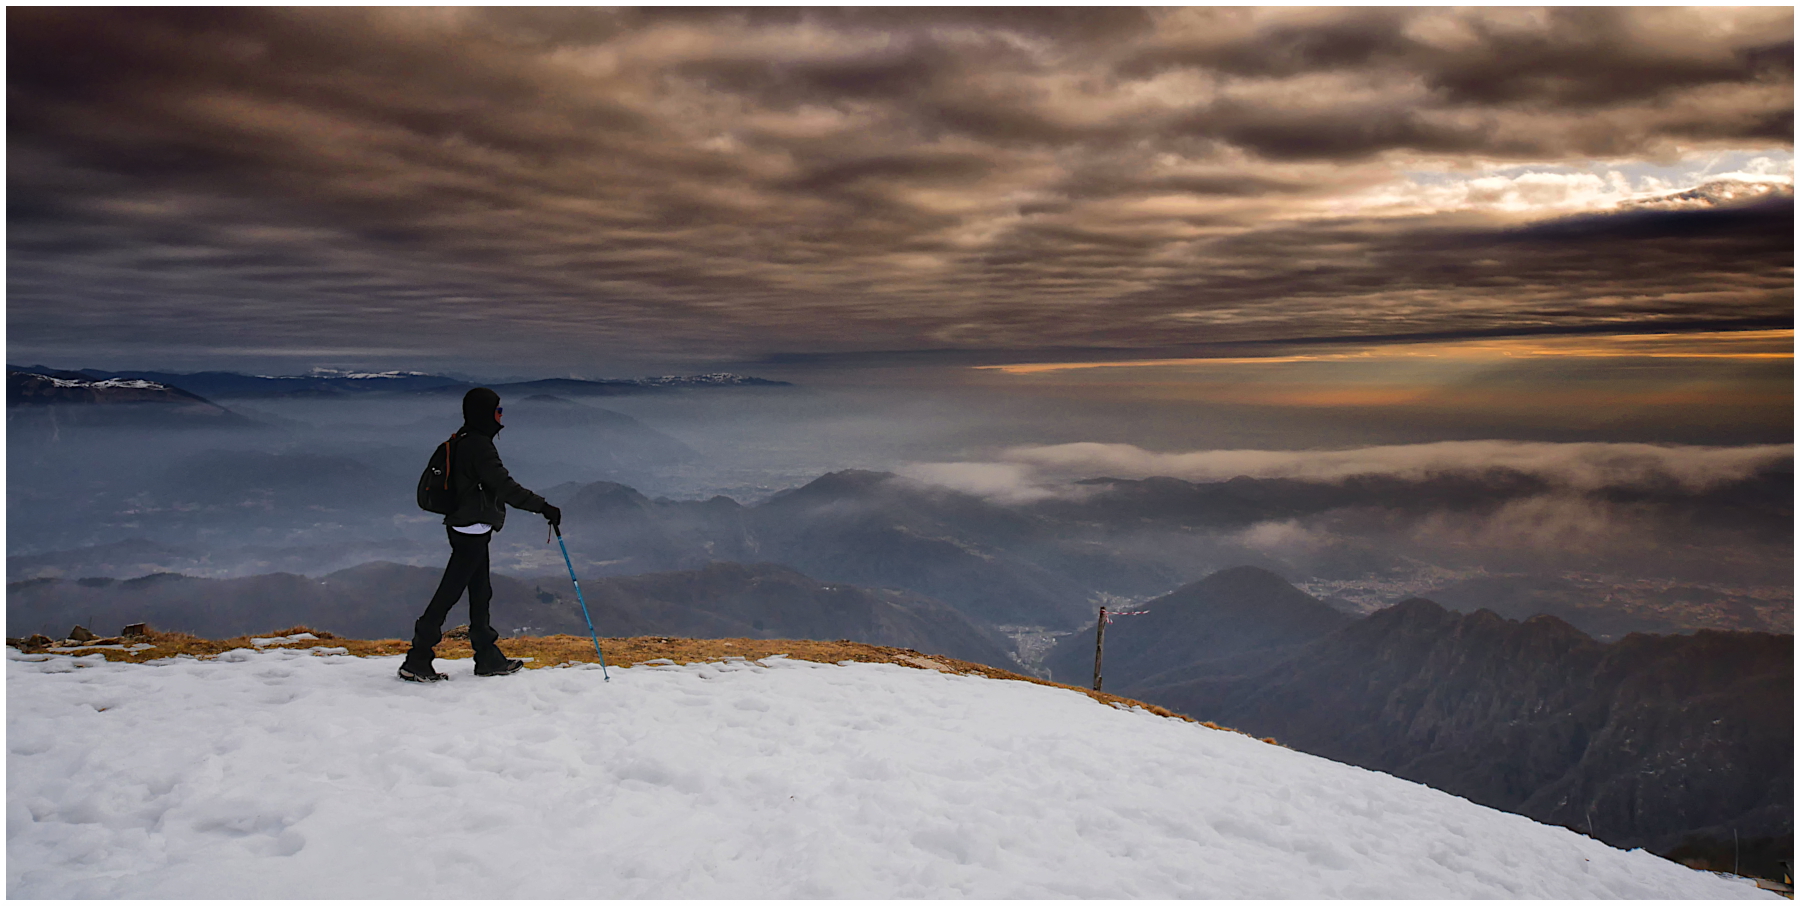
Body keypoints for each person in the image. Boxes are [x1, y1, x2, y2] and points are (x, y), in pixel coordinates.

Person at [399, 387, 562, 682]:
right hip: (471, 528)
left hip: (466, 526)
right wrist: (543, 507)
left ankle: (487, 656)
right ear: (485, 412)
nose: (501, 417)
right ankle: (418, 657)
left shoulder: (463, 439)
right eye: (497, 411)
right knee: (449, 593)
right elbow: (504, 486)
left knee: (480, 592)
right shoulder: (479, 447)